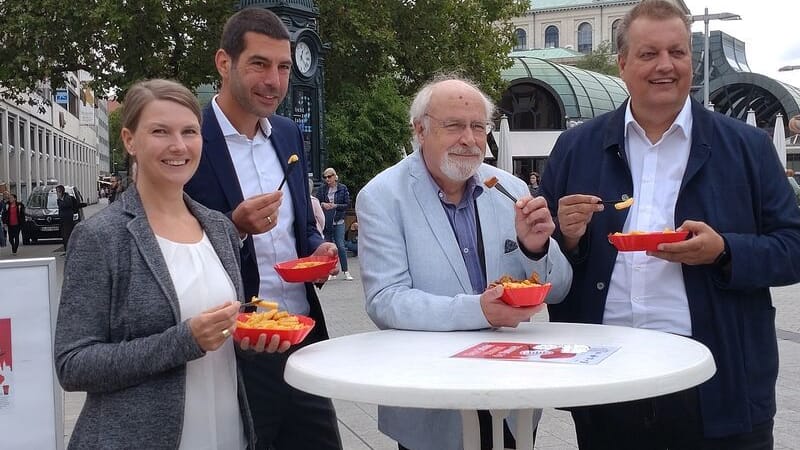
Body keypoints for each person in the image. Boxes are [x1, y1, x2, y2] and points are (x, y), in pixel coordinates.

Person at [540, 1, 800, 448]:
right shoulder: (576, 146)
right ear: (622, 64)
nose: (666, 66)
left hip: (716, 380)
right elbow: (540, 258)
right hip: (606, 375)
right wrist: (565, 236)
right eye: (648, 54)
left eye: (677, 52)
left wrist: (725, 251)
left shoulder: (748, 147)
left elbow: (793, 247)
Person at [356, 76, 573, 450]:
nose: (469, 139)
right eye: (454, 125)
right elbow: (387, 301)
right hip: (434, 401)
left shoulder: (510, 190)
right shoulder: (381, 197)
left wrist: (535, 248)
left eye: (478, 127)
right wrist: (480, 311)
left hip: (512, 398)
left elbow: (561, 289)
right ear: (420, 131)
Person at [53, 79, 256, 449]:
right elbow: (73, 363)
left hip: (228, 433)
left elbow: (226, 335)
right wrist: (184, 340)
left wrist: (253, 339)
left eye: (189, 131)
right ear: (130, 140)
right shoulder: (101, 237)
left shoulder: (219, 228)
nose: (178, 146)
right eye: (160, 131)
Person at [183, 8, 343, 450]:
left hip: (301, 333)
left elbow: (297, 234)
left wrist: (319, 249)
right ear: (223, 62)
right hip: (234, 347)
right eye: (259, 64)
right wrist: (233, 230)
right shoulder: (188, 138)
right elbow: (166, 245)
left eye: (284, 67)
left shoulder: (289, 135)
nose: (274, 80)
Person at [315, 167, 353, 280]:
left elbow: (347, 204)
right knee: (329, 248)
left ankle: (346, 271)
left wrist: (336, 205)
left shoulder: (342, 188)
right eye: (325, 177)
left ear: (335, 177)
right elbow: (316, 201)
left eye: (329, 176)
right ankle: (331, 271)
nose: (327, 179)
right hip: (327, 221)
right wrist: (323, 204)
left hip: (338, 220)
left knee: (340, 246)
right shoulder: (322, 189)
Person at [55, 185, 77, 252]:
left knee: (67, 235)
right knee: (64, 236)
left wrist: (60, 200)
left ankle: (69, 250)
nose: (57, 193)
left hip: (67, 221)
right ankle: (66, 250)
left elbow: (65, 205)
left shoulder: (67, 198)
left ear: (61, 192)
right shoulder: (59, 199)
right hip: (62, 221)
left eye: (58, 192)